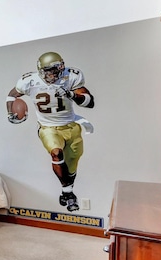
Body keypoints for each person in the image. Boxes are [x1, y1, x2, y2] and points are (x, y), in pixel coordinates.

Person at [6, 52, 95, 212]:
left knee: (72, 165)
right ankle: (69, 195)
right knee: (56, 153)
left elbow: (89, 102)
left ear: (61, 68)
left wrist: (72, 94)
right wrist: (9, 113)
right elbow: (12, 95)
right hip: (48, 128)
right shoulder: (29, 81)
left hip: (71, 125)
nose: (52, 75)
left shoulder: (71, 77)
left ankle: (65, 191)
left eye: (55, 71)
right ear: (41, 70)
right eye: (48, 71)